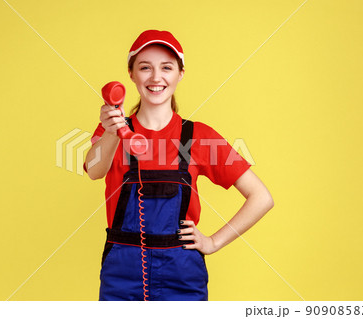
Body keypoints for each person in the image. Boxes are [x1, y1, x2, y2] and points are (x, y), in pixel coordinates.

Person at [84, 30, 274, 301]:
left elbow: (261, 197)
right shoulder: (111, 130)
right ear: (131, 74)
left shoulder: (200, 137)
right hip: (121, 276)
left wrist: (213, 242)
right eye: (145, 67)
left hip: (182, 275)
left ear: (180, 74)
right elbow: (94, 170)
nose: (156, 77)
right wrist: (113, 131)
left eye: (167, 67)